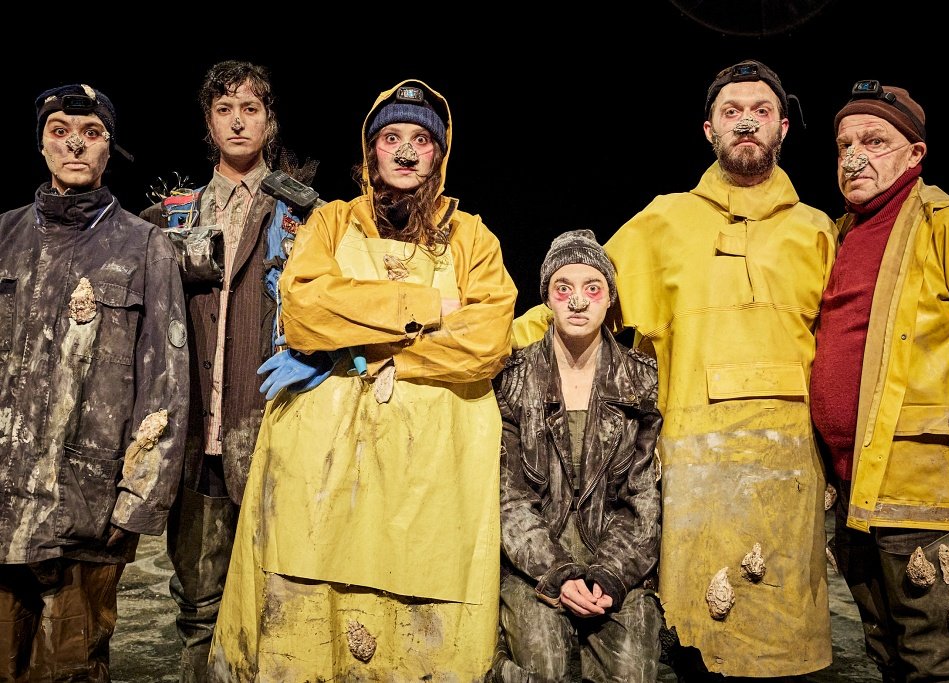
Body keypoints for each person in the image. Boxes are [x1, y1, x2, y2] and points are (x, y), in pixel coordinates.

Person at [514, 59, 837, 679]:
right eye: (731, 112)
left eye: (761, 111)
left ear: (785, 128)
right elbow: (579, 297)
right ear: (708, 129)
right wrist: (480, 346)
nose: (746, 121)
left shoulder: (817, 231)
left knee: (787, 650)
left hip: (789, 474)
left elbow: (850, 349)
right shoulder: (665, 221)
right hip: (696, 470)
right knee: (699, 644)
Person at [208, 78, 517, 680]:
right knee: (307, 595)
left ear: (439, 154)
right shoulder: (330, 224)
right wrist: (428, 307)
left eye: (421, 140)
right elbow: (303, 311)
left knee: (421, 595)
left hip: (430, 464)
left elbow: (486, 340)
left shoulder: (472, 237)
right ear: (371, 150)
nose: (405, 151)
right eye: (391, 137)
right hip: (324, 460)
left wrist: (367, 356)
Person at [813, 80, 949, 681]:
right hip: (854, 490)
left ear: (915, 154)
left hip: (924, 489)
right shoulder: (839, 233)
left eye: (875, 140)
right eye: (844, 143)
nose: (854, 156)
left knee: (942, 659)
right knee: (885, 652)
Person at [139, 59, 324, 682]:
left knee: (276, 594)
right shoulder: (172, 215)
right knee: (195, 599)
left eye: (251, 108)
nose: (238, 120)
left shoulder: (308, 214)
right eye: (225, 109)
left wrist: (319, 359)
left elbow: (336, 308)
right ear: (208, 124)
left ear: (270, 122)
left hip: (271, 426)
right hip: (195, 431)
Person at [0, 83, 188, 680]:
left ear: (109, 149)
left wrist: (134, 502)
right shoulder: (3, 237)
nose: (75, 144)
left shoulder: (145, 245)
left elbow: (166, 383)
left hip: (87, 508)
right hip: (2, 506)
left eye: (91, 133)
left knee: (71, 669)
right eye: (60, 131)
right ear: (42, 144)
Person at [491, 229, 664, 680]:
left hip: (616, 564)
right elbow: (511, 501)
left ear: (610, 299)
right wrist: (557, 574)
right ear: (547, 297)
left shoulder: (641, 381)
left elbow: (643, 501)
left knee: (632, 671)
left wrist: (609, 575)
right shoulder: (513, 379)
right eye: (563, 288)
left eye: (593, 288)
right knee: (545, 666)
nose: (579, 301)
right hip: (536, 568)